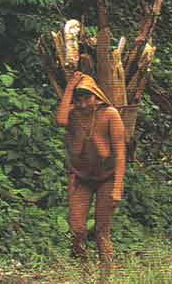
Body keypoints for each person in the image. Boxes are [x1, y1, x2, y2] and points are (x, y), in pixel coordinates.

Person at [55, 71, 126, 269]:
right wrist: (70, 87)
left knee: (102, 230)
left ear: (96, 96)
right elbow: (60, 121)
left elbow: (120, 153)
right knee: (77, 227)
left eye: (87, 98)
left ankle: (106, 273)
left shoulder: (110, 114)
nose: (83, 104)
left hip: (107, 177)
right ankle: (82, 269)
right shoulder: (73, 114)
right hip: (81, 177)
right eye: (78, 99)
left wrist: (117, 187)